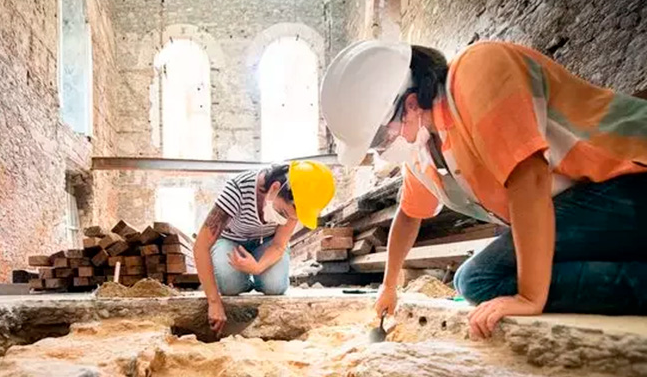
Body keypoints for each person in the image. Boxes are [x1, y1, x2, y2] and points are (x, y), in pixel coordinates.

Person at [321, 40, 647, 338]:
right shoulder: (425, 150)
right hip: (595, 203)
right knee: (477, 279)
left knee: (479, 278)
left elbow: (528, 178)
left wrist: (529, 297)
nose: (382, 150)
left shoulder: (477, 71)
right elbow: (408, 216)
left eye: (379, 139)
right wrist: (389, 286)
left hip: (629, 180)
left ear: (409, 104)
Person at [193, 160, 335, 334]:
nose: (284, 219)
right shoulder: (237, 189)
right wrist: (213, 302)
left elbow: (278, 244)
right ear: (275, 188)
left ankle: (253, 274)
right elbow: (201, 246)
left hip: (266, 243)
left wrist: (258, 267)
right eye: (282, 213)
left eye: (289, 217)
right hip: (231, 240)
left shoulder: (295, 203)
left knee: (274, 286)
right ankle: (241, 281)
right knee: (230, 286)